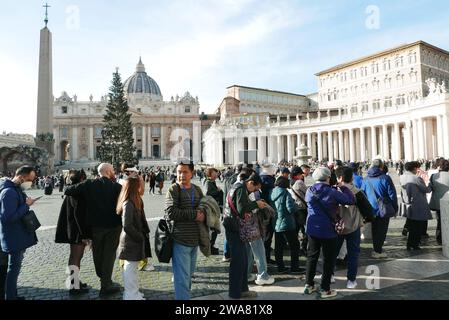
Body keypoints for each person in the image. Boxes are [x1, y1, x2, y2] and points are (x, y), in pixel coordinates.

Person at [64, 163, 122, 296]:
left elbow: (68, 191)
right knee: (109, 255)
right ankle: (105, 283)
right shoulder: (117, 186)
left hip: (95, 226)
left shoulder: (89, 184)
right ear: (108, 171)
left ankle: (101, 276)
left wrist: (69, 182)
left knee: (98, 253)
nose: (114, 172)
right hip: (113, 226)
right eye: (112, 170)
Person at [303, 167, 355, 299]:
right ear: (328, 177)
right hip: (327, 230)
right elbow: (350, 200)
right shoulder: (332, 192)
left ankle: (309, 285)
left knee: (312, 257)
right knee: (328, 259)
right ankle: (325, 289)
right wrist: (343, 187)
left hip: (312, 229)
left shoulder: (309, 190)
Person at [222, 170, 266, 299]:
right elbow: (241, 209)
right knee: (238, 261)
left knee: (243, 260)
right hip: (235, 227)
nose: (253, 192)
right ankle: (235, 293)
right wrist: (256, 204)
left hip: (233, 225)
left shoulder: (237, 186)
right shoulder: (241, 189)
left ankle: (243, 289)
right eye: (254, 189)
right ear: (251, 183)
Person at [165, 161, 204, 300]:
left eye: (185, 172)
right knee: (182, 278)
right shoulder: (173, 189)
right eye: (179, 172)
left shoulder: (197, 189)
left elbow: (203, 207)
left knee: (188, 274)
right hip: (180, 239)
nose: (181, 175)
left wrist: (204, 213)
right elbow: (170, 213)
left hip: (195, 240)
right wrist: (194, 214)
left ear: (192, 173)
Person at [0, 166, 38, 300]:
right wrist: (26, 205)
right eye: (30, 179)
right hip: (13, 237)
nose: (31, 182)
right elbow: (8, 218)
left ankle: (12, 294)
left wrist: (26, 202)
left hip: (17, 235)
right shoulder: (9, 192)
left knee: (15, 268)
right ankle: (10, 296)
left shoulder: (16, 190)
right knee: (13, 269)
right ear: (21, 177)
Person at [334, 167, 374, 289]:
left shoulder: (333, 191)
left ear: (338, 178)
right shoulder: (357, 192)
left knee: (332, 252)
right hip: (354, 226)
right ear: (351, 178)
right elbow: (369, 212)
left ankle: (329, 275)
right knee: (353, 254)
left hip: (337, 227)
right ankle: (351, 280)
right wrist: (365, 220)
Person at [55, 169, 91, 295]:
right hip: (77, 230)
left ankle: (74, 281)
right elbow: (79, 215)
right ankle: (74, 286)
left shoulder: (72, 190)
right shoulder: (78, 192)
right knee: (76, 257)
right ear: (81, 179)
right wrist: (84, 235)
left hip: (72, 227)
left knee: (75, 256)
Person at [117, 177, 151, 300]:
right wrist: (139, 236)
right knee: (130, 269)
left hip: (134, 239)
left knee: (133, 268)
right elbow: (127, 225)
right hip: (130, 240)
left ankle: (134, 292)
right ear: (134, 187)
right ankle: (130, 295)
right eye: (139, 185)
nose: (142, 187)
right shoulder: (128, 203)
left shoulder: (135, 200)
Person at [119, 163, 155, 272]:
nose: (136, 173)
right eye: (134, 171)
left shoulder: (133, 181)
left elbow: (141, 192)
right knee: (132, 237)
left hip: (137, 211)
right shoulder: (124, 181)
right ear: (128, 171)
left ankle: (140, 261)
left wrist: (140, 179)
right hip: (131, 212)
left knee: (136, 237)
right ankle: (135, 262)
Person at [361, 159, 398, 258]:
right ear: (381, 167)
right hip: (383, 208)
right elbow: (392, 195)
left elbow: (362, 195)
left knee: (374, 229)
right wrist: (395, 208)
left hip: (371, 208)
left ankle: (376, 248)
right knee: (382, 229)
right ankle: (378, 250)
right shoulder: (385, 178)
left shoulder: (365, 179)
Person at [271, 176, 302, 273]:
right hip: (286, 223)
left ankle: (280, 267)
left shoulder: (273, 192)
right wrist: (296, 205)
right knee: (295, 245)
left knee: (278, 247)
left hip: (277, 223)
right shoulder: (285, 193)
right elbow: (290, 209)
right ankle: (294, 267)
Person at [400, 162, 432, 250]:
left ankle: (410, 243)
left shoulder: (402, 176)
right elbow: (426, 189)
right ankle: (414, 244)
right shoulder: (416, 178)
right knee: (418, 226)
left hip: (408, 203)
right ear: (414, 168)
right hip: (418, 204)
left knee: (412, 225)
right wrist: (429, 184)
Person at [429, 159, 449, 245]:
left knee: (439, 220)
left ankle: (439, 238)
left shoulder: (433, 176)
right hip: (447, 200)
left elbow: (431, 188)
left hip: (437, 202)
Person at [259, 164, 276, 265]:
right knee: (268, 234)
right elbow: (271, 196)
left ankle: (264, 255)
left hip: (261, 208)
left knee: (263, 234)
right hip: (267, 209)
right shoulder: (268, 180)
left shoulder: (260, 178)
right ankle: (266, 257)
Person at [204, 168, 223, 255]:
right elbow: (208, 194)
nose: (217, 174)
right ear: (210, 174)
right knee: (213, 228)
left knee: (214, 228)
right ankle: (210, 247)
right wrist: (218, 191)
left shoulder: (211, 182)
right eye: (215, 173)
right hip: (211, 208)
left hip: (214, 207)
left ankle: (211, 245)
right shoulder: (208, 182)